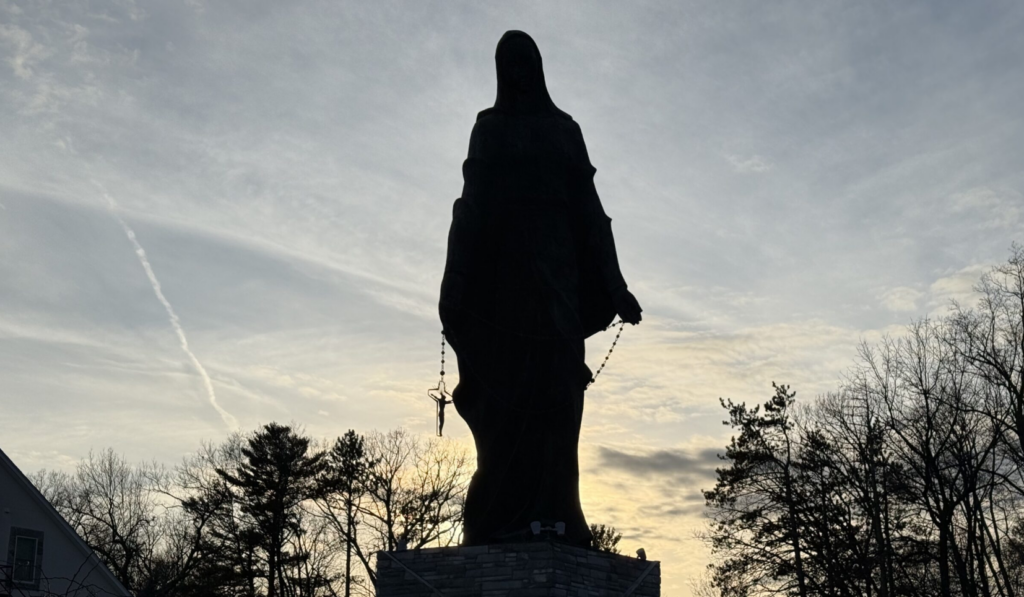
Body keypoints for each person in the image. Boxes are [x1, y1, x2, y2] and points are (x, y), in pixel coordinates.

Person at [439, 30, 641, 547]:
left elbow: (592, 214)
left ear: (539, 67)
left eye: (527, 61)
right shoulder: (489, 129)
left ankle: (557, 513)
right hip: (503, 282)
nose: (520, 73)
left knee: (559, 397)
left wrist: (616, 286)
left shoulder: (563, 130)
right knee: (505, 407)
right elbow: (471, 208)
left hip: (557, 280)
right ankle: (499, 518)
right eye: (510, 64)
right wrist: (458, 279)